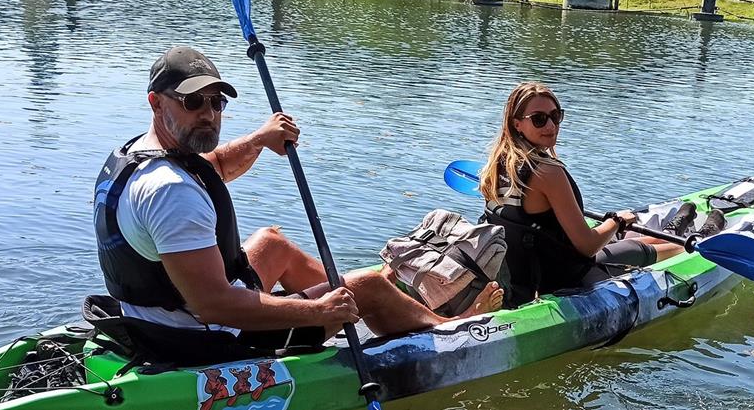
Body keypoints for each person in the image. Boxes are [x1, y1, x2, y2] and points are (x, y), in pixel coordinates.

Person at [93, 46, 503, 362]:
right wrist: (319, 311)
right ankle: (448, 326)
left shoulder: (137, 156)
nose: (208, 114)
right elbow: (212, 304)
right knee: (367, 287)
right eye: (192, 102)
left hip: (155, 318)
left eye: (216, 103)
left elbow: (212, 167)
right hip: (206, 339)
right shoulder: (171, 192)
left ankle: (379, 302)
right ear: (156, 102)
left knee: (272, 243)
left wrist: (260, 139)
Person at [477, 82, 725, 307]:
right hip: (564, 276)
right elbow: (586, 246)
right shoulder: (548, 171)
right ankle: (700, 239)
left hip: (530, 273)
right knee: (634, 248)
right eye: (539, 119)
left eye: (556, 116)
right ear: (516, 123)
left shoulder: (496, 167)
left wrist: (609, 226)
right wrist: (615, 222)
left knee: (629, 242)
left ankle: (674, 228)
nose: (551, 126)